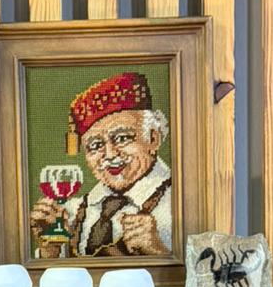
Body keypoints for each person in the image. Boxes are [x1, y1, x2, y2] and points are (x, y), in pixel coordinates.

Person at [29, 71, 172, 257]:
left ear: (153, 139)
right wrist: (50, 250)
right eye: (95, 145)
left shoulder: (181, 201)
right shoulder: (72, 212)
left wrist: (158, 251)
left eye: (122, 138)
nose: (110, 155)